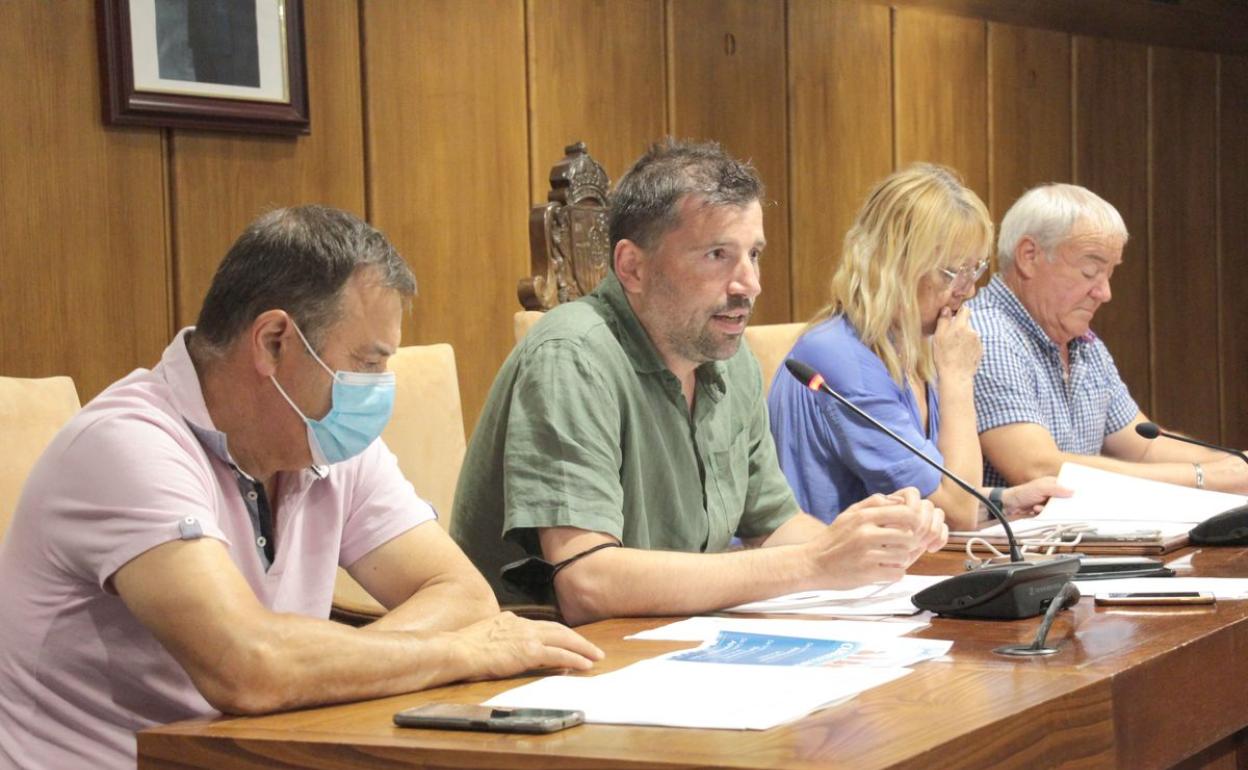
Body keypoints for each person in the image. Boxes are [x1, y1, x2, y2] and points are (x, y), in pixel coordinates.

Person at [0, 206, 601, 770]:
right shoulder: (127, 446)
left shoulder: (322, 440)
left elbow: (461, 594)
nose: (379, 385)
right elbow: (247, 668)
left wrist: (313, 668)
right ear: (273, 342)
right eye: (367, 362)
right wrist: (460, 654)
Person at [451, 140, 947, 627]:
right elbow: (588, 581)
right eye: (716, 255)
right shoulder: (572, 358)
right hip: (547, 665)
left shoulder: (729, 358)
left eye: (754, 254)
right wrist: (815, 563)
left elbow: (773, 526)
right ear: (633, 267)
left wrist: (869, 545)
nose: (748, 284)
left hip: (672, 641)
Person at [767, 164, 1067, 531]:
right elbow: (956, 510)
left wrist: (1004, 501)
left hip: (885, 567)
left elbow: (933, 489)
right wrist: (958, 378)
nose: (969, 289)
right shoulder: (841, 357)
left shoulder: (912, 348)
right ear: (895, 264)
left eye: (976, 270)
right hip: (827, 579)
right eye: (954, 272)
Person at [971, 183, 1248, 492]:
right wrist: (1207, 478)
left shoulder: (1084, 344)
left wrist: (1236, 463)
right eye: (1090, 272)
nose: (1104, 293)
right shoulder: (986, 335)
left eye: (1109, 274)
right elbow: (1037, 467)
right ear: (1029, 256)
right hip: (1006, 540)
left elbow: (1145, 447)